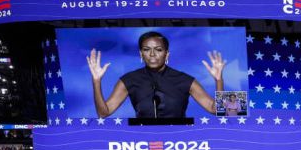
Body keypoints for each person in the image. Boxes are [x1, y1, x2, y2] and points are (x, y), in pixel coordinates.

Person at [87, 31, 225, 118]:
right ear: (141, 54)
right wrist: (96, 81)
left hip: (180, 140)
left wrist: (219, 80)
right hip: (143, 142)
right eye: (147, 50)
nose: (152, 54)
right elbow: (103, 113)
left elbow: (219, 110)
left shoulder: (185, 80)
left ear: (167, 54)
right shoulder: (128, 80)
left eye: (158, 49)